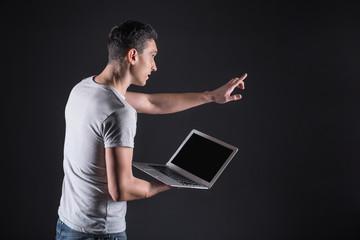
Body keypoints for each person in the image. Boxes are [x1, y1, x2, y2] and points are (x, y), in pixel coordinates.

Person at [56, 20, 247, 240]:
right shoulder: (120, 112)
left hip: (67, 224)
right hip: (99, 233)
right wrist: (170, 183)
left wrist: (211, 96)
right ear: (133, 56)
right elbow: (122, 190)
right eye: (153, 55)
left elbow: (152, 103)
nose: (155, 66)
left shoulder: (83, 89)